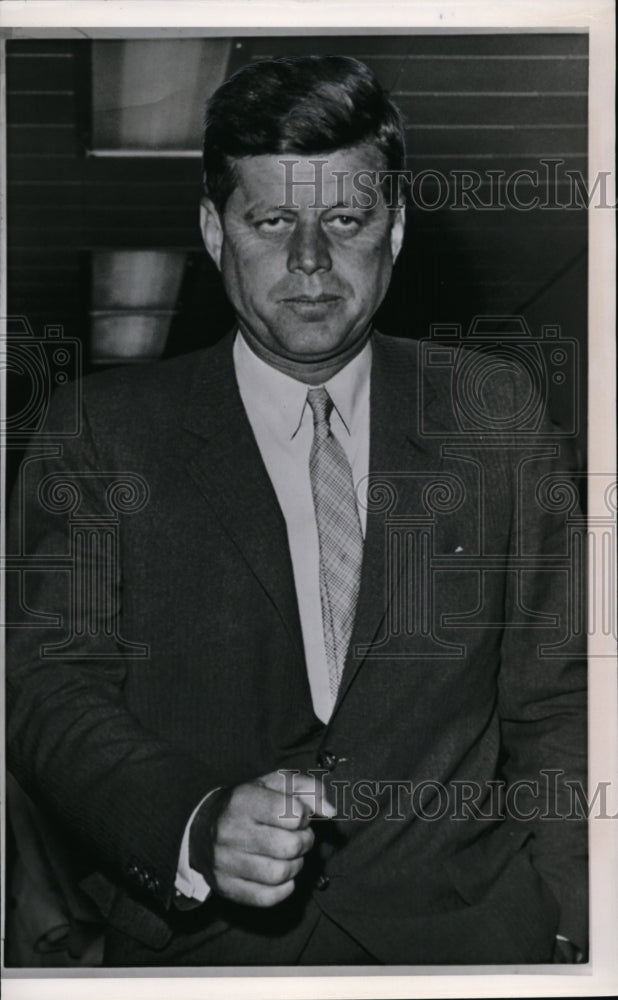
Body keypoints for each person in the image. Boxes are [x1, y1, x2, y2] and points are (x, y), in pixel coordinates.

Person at [6, 54, 587, 967]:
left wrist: (579, 926)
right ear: (214, 229)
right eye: (273, 220)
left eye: (345, 220)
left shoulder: (497, 416)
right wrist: (194, 825)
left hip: (469, 949)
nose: (309, 261)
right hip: (201, 961)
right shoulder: (101, 434)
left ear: (393, 232)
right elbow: (45, 690)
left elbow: (565, 700)